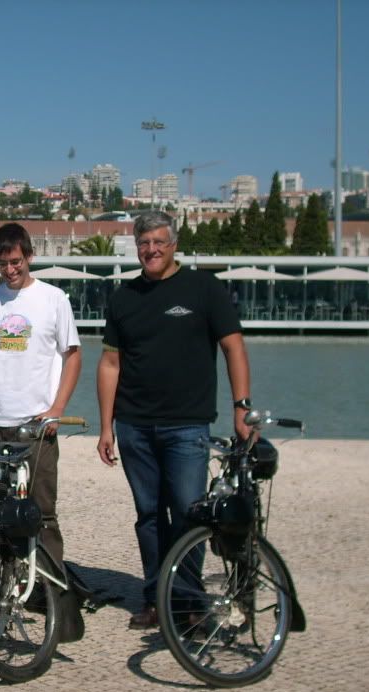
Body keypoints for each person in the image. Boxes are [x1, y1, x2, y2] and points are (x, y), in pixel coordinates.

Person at [95, 210, 251, 630]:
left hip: (187, 425)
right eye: (144, 243)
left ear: (173, 244)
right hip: (133, 425)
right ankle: (154, 597)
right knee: (148, 516)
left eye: (159, 242)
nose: (151, 250)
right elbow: (110, 363)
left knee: (187, 514)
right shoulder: (124, 298)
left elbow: (233, 347)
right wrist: (106, 425)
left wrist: (242, 407)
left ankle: (187, 601)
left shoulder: (204, 289)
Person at [0, 222, 82, 565]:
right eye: (3, 264)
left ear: (29, 256)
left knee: (42, 511)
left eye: (16, 261)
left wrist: (57, 409)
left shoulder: (53, 299)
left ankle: (50, 591)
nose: (10, 270)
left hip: (37, 425)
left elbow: (73, 356)